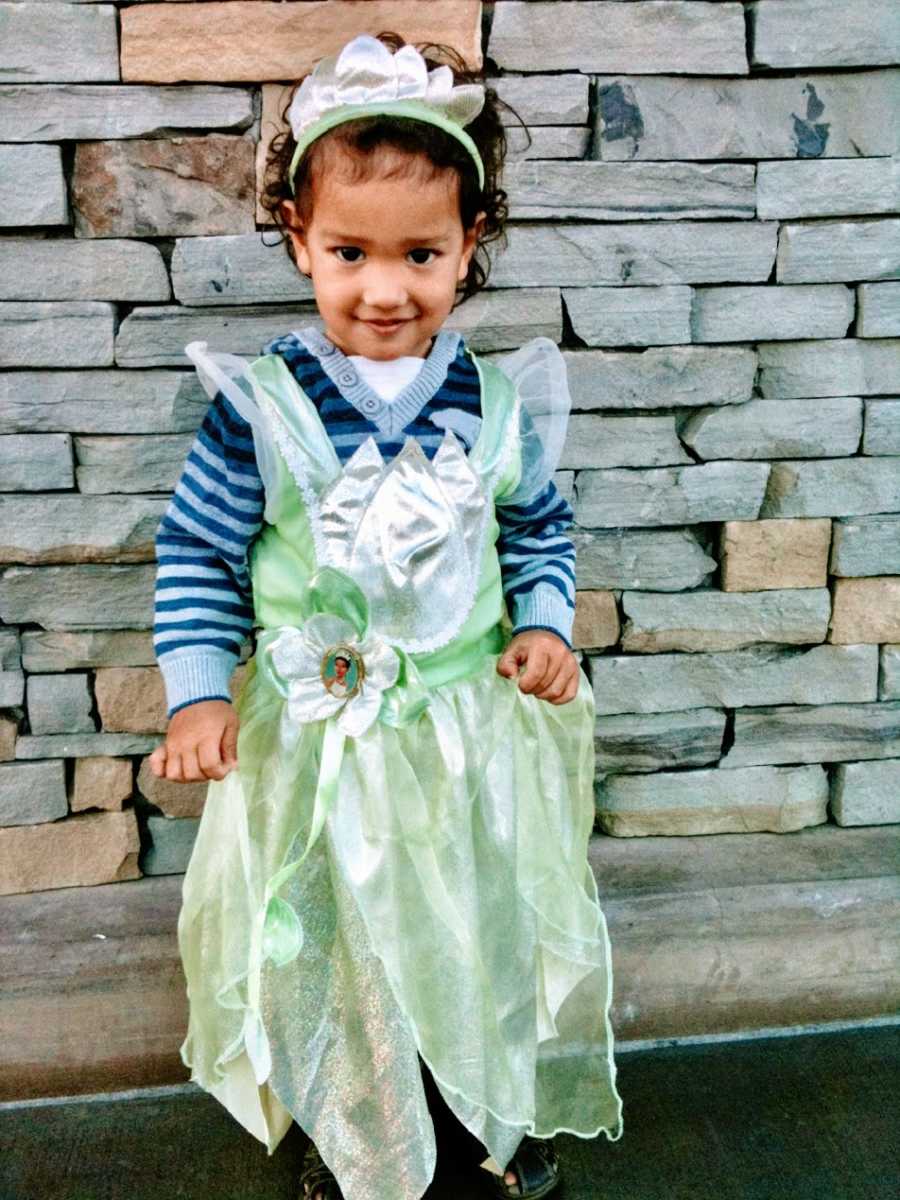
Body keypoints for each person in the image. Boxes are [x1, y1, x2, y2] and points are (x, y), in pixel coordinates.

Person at [149, 31, 624, 1200]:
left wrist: (547, 629)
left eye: (421, 252)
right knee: (339, 940)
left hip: (466, 737)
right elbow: (200, 552)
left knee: (473, 925)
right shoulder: (262, 410)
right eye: (349, 251)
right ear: (301, 243)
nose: (384, 286)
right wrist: (201, 690)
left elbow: (536, 530)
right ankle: (353, 1128)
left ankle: (479, 1110)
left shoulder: (496, 403)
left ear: (468, 247)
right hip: (325, 752)